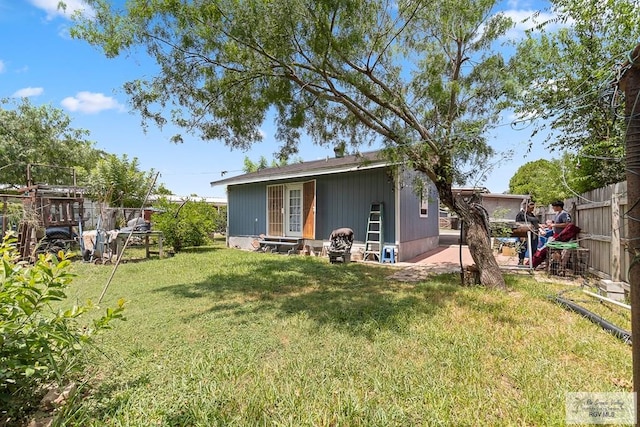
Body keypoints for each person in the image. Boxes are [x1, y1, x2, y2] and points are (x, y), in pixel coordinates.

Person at [515, 201, 539, 265]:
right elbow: (518, 224)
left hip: (532, 234)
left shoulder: (531, 214)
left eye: (533, 207)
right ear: (526, 207)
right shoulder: (521, 214)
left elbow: (536, 221)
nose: (532, 209)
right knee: (523, 247)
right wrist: (521, 235)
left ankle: (532, 262)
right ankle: (521, 261)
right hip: (524, 234)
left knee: (533, 248)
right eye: (530, 207)